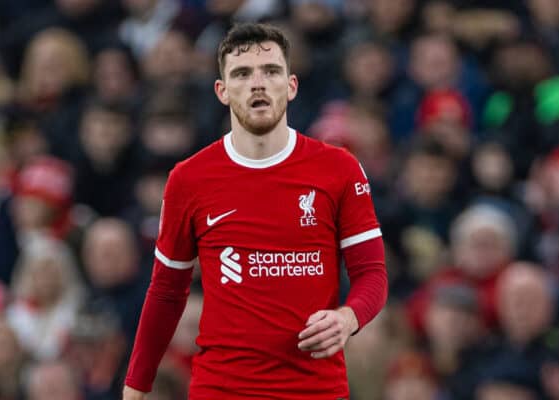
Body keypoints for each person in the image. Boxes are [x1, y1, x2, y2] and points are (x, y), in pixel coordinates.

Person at [123, 22, 388, 399]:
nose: (257, 83)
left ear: (291, 86)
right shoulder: (189, 179)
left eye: (271, 71)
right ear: (222, 91)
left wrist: (348, 318)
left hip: (315, 390)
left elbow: (372, 274)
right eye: (242, 74)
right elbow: (167, 292)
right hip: (222, 389)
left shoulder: (338, 169)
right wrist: (136, 387)